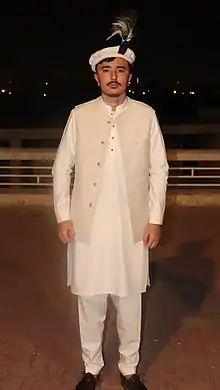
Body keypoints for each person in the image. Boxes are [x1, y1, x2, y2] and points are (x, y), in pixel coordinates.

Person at [52, 13, 169, 390]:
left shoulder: (147, 116)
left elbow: (159, 170)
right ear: (97, 76)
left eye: (120, 68)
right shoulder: (79, 115)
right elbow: (60, 168)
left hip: (131, 227)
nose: (114, 75)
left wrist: (155, 219)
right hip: (87, 227)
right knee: (90, 301)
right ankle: (91, 367)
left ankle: (129, 368)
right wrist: (63, 215)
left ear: (129, 76)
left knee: (130, 301)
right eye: (107, 69)